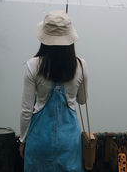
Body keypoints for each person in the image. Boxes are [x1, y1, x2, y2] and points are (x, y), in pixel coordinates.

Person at [19, 10, 88, 172]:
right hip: (69, 141)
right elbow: (82, 100)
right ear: (70, 38)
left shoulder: (33, 65)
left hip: (39, 140)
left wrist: (22, 140)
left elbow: (26, 110)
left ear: (44, 38)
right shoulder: (81, 65)